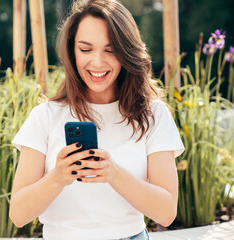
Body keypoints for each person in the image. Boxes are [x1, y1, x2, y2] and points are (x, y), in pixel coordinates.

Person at [9, 0, 184, 239]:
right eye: (85, 49)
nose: (98, 62)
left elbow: (166, 213)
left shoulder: (154, 115)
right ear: (72, 51)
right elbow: (18, 214)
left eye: (110, 50)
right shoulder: (45, 117)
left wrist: (114, 174)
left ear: (126, 52)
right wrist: (58, 177)